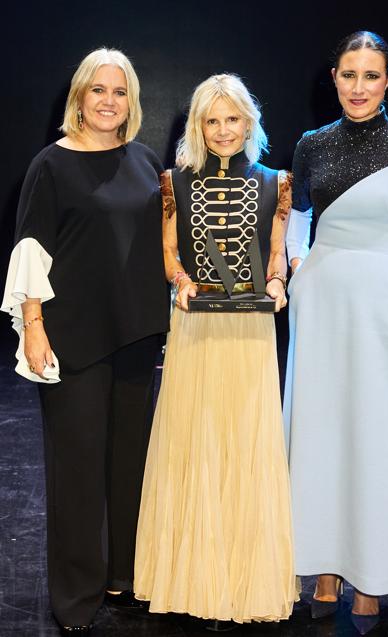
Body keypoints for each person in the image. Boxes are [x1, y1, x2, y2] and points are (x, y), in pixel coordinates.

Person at [284, 31, 388, 634]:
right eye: (349, 74)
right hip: (323, 305)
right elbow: (297, 214)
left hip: (387, 309)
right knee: (322, 433)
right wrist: (300, 269)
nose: (358, 87)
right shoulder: (311, 145)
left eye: (371, 76)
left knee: (379, 438)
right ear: (333, 76)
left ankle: (372, 578)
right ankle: (324, 568)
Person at [1, 48, 169, 634]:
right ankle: (76, 595)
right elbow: (30, 252)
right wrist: (35, 329)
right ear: (78, 97)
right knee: (76, 470)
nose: (108, 100)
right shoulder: (51, 165)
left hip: (136, 335)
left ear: (132, 100)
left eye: (119, 91)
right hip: (72, 337)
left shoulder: (146, 161)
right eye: (97, 90)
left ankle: (124, 577)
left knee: (130, 465)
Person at [134, 73, 297, 627]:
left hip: (250, 336)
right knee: (196, 439)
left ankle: (244, 578)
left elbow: (276, 255)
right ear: (198, 127)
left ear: (248, 122)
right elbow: (167, 255)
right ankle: (191, 578)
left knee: (246, 443)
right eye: (212, 120)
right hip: (196, 331)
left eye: (233, 119)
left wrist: (277, 286)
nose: (223, 130)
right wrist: (180, 281)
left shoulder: (276, 182)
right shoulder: (175, 183)